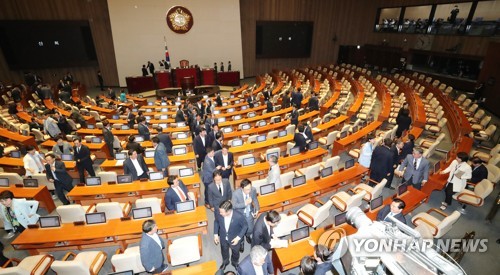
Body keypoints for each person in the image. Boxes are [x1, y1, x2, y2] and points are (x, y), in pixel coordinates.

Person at [213, 200, 247, 271]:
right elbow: (216, 221)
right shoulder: (219, 212)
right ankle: (225, 262)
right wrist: (215, 234)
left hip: (235, 239)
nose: (219, 213)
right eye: (219, 211)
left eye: (222, 212)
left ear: (228, 211)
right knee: (224, 250)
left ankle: (234, 262)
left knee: (235, 252)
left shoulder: (239, 216)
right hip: (223, 237)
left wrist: (238, 238)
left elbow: (245, 226)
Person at [232, 179, 260, 248]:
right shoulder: (235, 194)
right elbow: (234, 206)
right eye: (247, 189)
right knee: (240, 230)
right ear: (242, 188)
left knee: (250, 228)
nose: (249, 191)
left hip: (249, 213)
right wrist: (245, 203)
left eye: (250, 188)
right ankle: (241, 241)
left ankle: (247, 235)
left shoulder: (253, 190)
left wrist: (257, 209)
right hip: (239, 214)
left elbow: (255, 199)